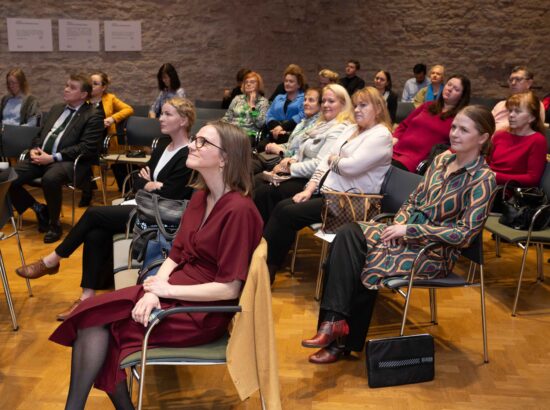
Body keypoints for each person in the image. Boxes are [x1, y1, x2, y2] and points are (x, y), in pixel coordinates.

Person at [48, 121, 262, 409]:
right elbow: (177, 253)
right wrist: (154, 291)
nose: (194, 146)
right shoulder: (200, 197)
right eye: (195, 139)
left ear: (225, 158)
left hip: (200, 313)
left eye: (203, 143)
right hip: (173, 292)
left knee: (94, 327)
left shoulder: (239, 210)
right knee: (89, 317)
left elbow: (228, 289)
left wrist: (163, 290)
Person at [302, 105, 497, 364]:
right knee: (348, 234)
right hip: (404, 234)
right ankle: (333, 324)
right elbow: (413, 200)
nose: (454, 134)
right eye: (453, 127)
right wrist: (401, 225)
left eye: (464, 130)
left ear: (482, 138)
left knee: (361, 257)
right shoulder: (441, 161)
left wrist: (410, 230)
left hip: (434, 253)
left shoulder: (483, 179)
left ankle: (340, 343)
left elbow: (465, 234)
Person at [15, 97, 196, 320]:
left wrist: (150, 185)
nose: (161, 118)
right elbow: (138, 181)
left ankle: (52, 260)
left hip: (161, 215)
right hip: (145, 204)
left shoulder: (188, 153)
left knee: (93, 213)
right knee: (95, 231)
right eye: (162, 113)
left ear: (184, 120)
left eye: (168, 114)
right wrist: (151, 185)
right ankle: (86, 297)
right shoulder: (161, 145)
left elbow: (172, 194)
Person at [264, 86, 393, 282]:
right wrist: (308, 189)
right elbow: (325, 162)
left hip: (351, 203)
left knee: (286, 212)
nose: (357, 109)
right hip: (330, 195)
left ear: (378, 108)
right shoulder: (352, 129)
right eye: (356, 105)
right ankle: (265, 265)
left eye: (363, 105)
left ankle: (266, 271)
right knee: (284, 205)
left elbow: (351, 167)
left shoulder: (381, 135)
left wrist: (334, 160)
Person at [8, 73, 103, 243]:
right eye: (66, 85)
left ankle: (54, 224)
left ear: (83, 95)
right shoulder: (57, 108)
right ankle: (38, 208)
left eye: (72, 87)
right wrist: (34, 149)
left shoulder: (93, 115)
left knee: (50, 179)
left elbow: (86, 148)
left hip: (67, 161)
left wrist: (52, 157)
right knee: (7, 178)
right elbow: (40, 134)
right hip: (41, 158)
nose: (66, 89)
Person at [254, 84, 354, 223]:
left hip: (311, 181)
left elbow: (319, 164)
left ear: (343, 104)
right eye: (324, 101)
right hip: (299, 172)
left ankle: (261, 235)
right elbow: (300, 150)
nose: (325, 105)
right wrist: (287, 162)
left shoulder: (340, 128)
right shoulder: (322, 124)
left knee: (266, 192)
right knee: (259, 182)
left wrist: (289, 168)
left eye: (331, 101)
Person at [392, 74, 471, 172]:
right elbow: (404, 125)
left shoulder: (459, 119)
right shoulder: (427, 105)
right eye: (449, 85)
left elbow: (463, 144)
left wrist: (449, 152)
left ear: (462, 96)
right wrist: (395, 137)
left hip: (415, 159)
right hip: (396, 148)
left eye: (456, 89)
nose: (450, 89)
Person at [86, 71, 135, 206]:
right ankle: (88, 189)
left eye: (95, 84)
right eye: (90, 83)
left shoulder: (110, 98)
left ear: (103, 87)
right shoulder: (84, 99)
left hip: (105, 138)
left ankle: (91, 189)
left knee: (91, 152)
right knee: (85, 151)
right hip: (88, 138)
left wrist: (113, 118)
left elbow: (128, 109)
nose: (92, 86)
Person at [488, 92, 546, 187]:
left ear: (531, 117)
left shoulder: (537, 140)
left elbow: (532, 179)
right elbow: (488, 163)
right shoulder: (499, 135)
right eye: (510, 111)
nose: (511, 115)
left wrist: (495, 176)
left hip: (509, 190)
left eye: (517, 111)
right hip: (488, 183)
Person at [264, 87, 322, 159]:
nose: (305, 103)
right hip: (285, 157)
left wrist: (280, 150)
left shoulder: (319, 126)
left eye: (311, 100)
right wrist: (275, 146)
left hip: (293, 163)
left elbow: (303, 155)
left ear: (321, 105)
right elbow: (291, 146)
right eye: (305, 100)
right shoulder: (303, 122)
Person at [491, 66, 545, 131]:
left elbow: (533, 129)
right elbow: (486, 124)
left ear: (529, 83)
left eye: (518, 79)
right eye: (511, 80)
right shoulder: (500, 105)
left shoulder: (536, 105)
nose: (513, 83)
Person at [264, 65, 306, 145]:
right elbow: (269, 115)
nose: (287, 83)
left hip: (293, 134)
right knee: (260, 148)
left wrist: (283, 127)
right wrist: (276, 127)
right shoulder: (278, 98)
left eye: (291, 81)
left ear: (299, 84)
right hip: (275, 132)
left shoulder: (304, 98)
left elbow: (302, 115)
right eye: (286, 81)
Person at [222, 71, 269, 140]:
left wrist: (252, 106)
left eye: (252, 82)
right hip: (232, 132)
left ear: (258, 85)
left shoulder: (263, 102)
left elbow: (260, 124)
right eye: (246, 82)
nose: (248, 84)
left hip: (248, 135)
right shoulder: (237, 98)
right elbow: (227, 117)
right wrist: (218, 126)